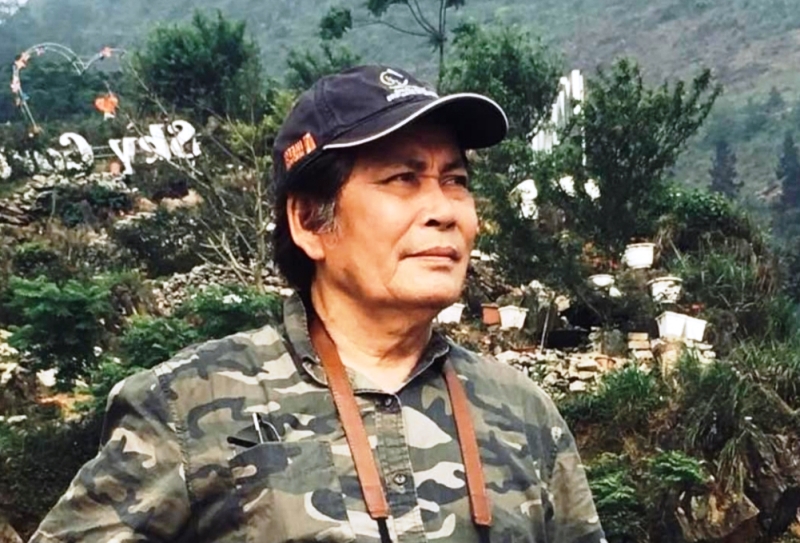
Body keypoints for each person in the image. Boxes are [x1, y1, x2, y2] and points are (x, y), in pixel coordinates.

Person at [30, 65, 606, 543]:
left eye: (454, 180)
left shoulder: (523, 411)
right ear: (309, 220)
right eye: (403, 178)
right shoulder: (185, 406)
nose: (444, 210)